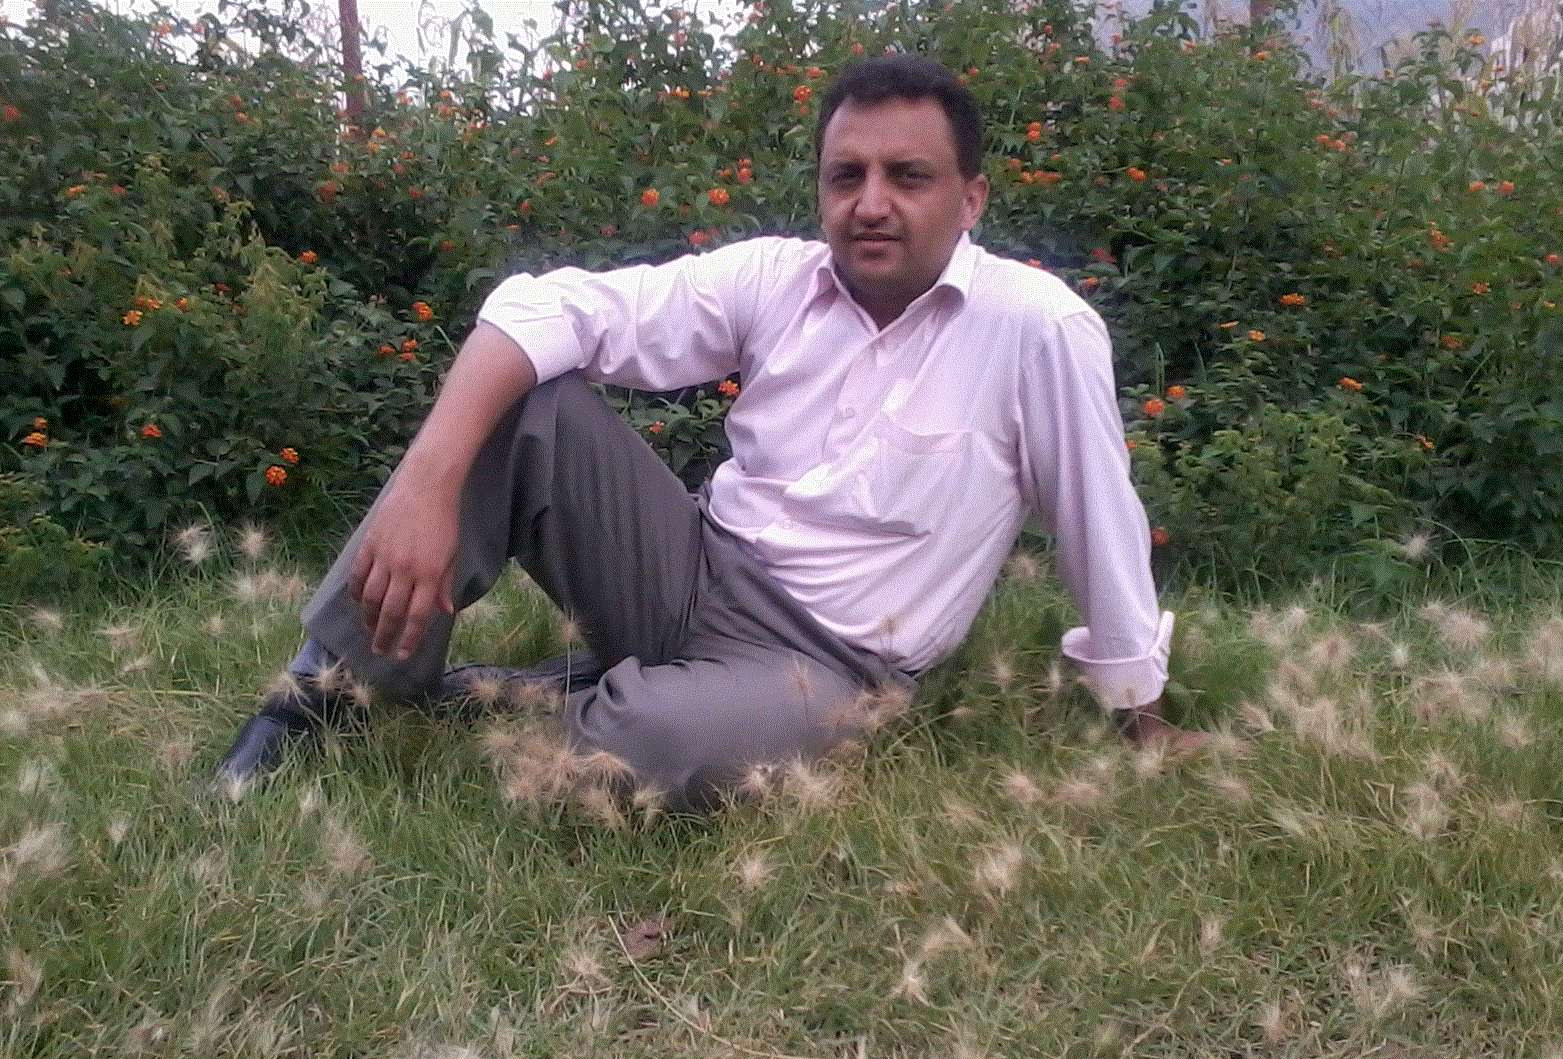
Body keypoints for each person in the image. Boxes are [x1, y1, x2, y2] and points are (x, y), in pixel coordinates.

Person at [215, 53, 1204, 811]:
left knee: (636, 749)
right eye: (846, 176)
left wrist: (1140, 716)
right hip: (688, 567)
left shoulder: (1036, 328)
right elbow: (548, 307)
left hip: (827, 662)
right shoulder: (776, 278)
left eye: (908, 176)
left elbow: (1097, 518)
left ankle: (555, 697)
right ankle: (320, 693)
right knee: (530, 401)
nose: (870, 204)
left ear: (970, 198)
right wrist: (428, 482)